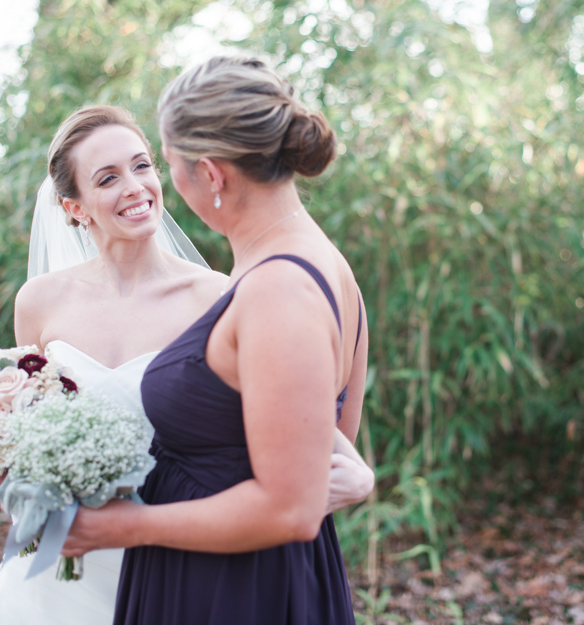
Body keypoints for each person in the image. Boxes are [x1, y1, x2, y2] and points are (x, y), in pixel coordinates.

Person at [0, 105, 373, 624]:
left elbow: (301, 428)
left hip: (178, 550)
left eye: (142, 166)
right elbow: (33, 427)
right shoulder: (39, 302)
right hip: (73, 556)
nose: (134, 186)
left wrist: (354, 472)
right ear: (73, 207)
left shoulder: (218, 295)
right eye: (108, 178)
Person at [60, 56, 366, 624]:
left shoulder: (277, 288)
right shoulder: (317, 266)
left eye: (164, 164)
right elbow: (328, 448)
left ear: (212, 173)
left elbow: (292, 507)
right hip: (242, 574)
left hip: (237, 590)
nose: (158, 185)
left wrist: (127, 526)